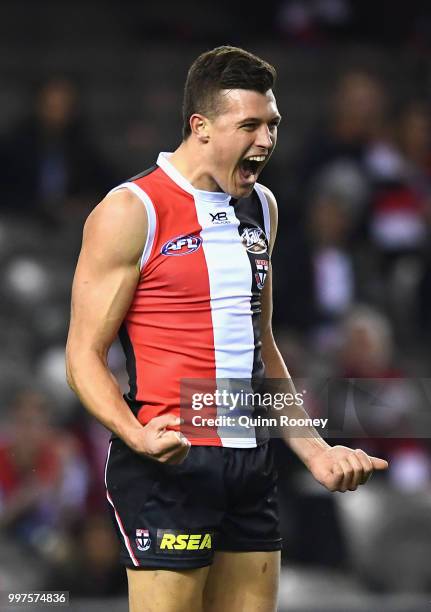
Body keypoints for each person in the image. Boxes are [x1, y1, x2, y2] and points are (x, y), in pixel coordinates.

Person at [66, 46, 389, 612]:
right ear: (202, 127)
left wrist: (313, 450)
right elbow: (82, 356)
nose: (266, 140)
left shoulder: (262, 206)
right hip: (171, 465)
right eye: (250, 125)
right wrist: (136, 434)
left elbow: (263, 346)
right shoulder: (132, 210)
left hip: (249, 463)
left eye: (273, 125)